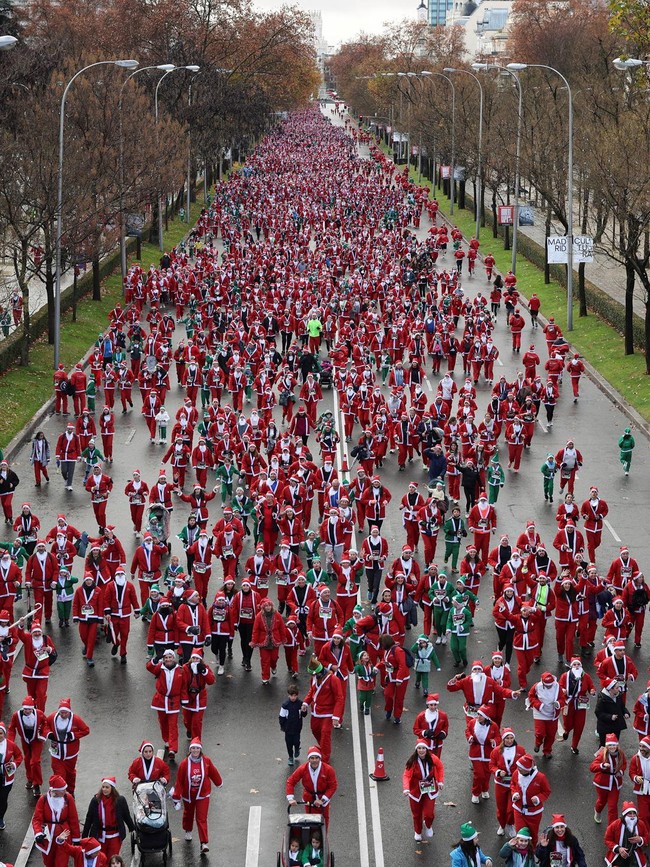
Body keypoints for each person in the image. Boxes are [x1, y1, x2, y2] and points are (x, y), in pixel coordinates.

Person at [171, 738, 223, 854]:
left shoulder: (206, 761)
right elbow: (179, 781)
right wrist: (176, 796)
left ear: (200, 750)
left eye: (197, 748)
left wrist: (218, 782)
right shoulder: (184, 763)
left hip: (202, 794)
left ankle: (204, 843)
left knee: (202, 818)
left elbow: (213, 772)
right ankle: (188, 830)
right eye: (193, 748)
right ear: (190, 750)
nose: (195, 750)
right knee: (188, 814)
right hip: (188, 794)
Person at [32, 774, 81, 867]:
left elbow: (73, 819)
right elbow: (37, 819)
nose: (65, 791)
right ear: (54, 791)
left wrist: (76, 838)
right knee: (48, 862)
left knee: (61, 863)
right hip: (48, 837)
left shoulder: (68, 798)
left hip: (64, 836)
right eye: (62, 790)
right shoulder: (43, 799)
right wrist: (38, 833)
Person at [402, 739, 444, 841]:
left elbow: (440, 767)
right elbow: (406, 775)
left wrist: (440, 781)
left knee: (429, 814)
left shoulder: (433, 758)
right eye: (419, 748)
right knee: (416, 814)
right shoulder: (412, 761)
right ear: (416, 750)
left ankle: (428, 825)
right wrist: (406, 789)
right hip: (415, 791)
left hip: (430, 789)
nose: (421, 750)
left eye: (423, 748)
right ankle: (418, 831)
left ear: (427, 749)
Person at [286, 745, 337, 828]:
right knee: (309, 822)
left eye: (316, 758)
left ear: (320, 758)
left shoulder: (328, 769)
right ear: (308, 759)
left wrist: (323, 800)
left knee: (323, 823)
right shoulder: (303, 769)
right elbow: (290, 782)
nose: (314, 760)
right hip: (308, 799)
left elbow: (333, 786)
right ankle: (312, 840)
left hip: (322, 801)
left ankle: (323, 839)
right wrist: (290, 798)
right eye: (312, 758)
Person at [82, 777, 134, 859]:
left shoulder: (120, 800)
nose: (104, 789)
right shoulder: (95, 800)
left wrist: (132, 828)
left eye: (107, 787)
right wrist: (84, 837)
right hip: (99, 836)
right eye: (103, 787)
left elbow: (126, 815)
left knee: (112, 859)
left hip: (115, 836)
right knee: (101, 859)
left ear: (112, 788)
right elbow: (89, 818)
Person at [146, 649, 184, 761]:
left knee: (173, 725)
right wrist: (155, 659)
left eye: (170, 657)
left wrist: (184, 699)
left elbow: (183, 685)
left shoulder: (180, 670)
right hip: (161, 700)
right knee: (163, 722)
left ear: (174, 658)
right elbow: (149, 667)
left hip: (174, 701)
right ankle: (166, 740)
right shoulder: (159, 668)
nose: (168, 660)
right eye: (166, 658)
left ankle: (173, 749)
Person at [510, 754, 551, 845]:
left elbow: (546, 791)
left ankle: (532, 852)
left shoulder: (541, 777)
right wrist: (515, 793)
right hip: (518, 810)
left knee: (532, 834)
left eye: (520, 767)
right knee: (520, 834)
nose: (518, 768)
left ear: (527, 768)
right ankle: (520, 853)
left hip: (534, 812)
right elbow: (512, 784)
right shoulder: (516, 773)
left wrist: (538, 798)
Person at [591, 733, 627, 826]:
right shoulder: (602, 754)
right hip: (602, 782)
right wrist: (602, 765)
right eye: (610, 745)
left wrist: (621, 772)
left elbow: (624, 764)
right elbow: (592, 767)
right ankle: (597, 811)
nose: (612, 747)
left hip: (615, 783)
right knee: (602, 802)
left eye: (614, 744)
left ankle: (612, 828)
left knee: (613, 806)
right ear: (607, 746)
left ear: (617, 745)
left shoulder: (621, 753)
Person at [604, 802, 648, 867]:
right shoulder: (615, 825)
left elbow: (647, 837)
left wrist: (640, 840)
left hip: (634, 854)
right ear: (624, 815)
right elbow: (607, 839)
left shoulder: (641, 824)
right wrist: (619, 849)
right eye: (630, 814)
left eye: (634, 813)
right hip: (619, 854)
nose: (632, 816)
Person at [0, 721, 22, 830]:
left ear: (4, 734)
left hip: (6, 778)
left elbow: (19, 756)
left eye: (1, 733)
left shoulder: (11, 745)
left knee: (2, 799)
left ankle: (0, 818)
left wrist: (13, 764)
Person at [279, 684, 307, 766]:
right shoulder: (285, 705)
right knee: (289, 744)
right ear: (288, 695)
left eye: (295, 696)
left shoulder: (300, 704)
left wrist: (304, 710)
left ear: (297, 695)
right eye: (291, 695)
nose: (293, 697)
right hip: (288, 729)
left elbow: (304, 715)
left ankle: (297, 748)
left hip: (297, 728)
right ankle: (290, 757)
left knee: (296, 741)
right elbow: (281, 717)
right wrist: (283, 727)